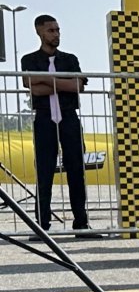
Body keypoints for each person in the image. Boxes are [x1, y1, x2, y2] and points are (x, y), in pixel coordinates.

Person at [20, 14, 93, 236]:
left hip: (69, 117)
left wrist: (47, 80)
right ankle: (42, 224)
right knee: (44, 171)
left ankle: (81, 222)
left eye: (57, 30)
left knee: (76, 170)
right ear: (39, 32)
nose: (56, 34)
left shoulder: (70, 59)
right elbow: (31, 85)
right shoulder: (29, 59)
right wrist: (62, 82)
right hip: (44, 118)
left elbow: (78, 85)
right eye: (51, 30)